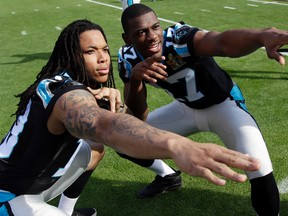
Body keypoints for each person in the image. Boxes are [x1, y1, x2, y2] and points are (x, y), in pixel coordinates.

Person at [0, 19, 261, 216]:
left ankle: (67, 211)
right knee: (97, 140)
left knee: (92, 149)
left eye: (104, 49)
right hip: (9, 198)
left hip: (30, 183)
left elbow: (125, 122)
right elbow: (103, 126)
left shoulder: (74, 85)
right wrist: (176, 144)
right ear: (71, 56)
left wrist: (114, 102)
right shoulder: (66, 93)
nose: (103, 59)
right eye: (90, 52)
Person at [117, 4, 288, 216]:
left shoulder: (179, 39)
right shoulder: (128, 58)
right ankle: (167, 176)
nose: (152, 36)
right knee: (125, 138)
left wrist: (261, 36)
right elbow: (139, 116)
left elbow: (222, 42)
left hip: (224, 106)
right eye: (141, 32)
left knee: (258, 169)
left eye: (155, 27)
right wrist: (135, 79)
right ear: (127, 39)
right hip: (185, 109)